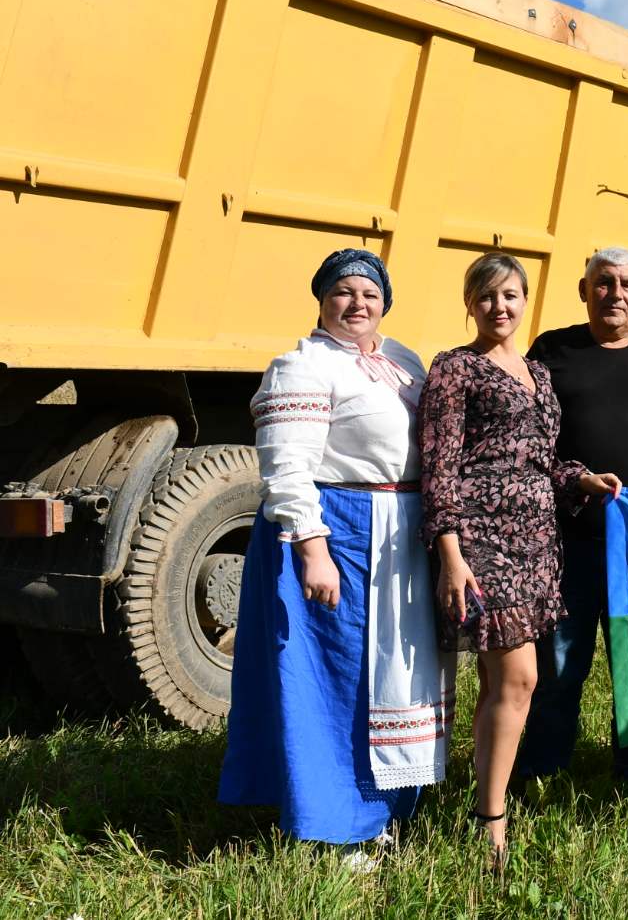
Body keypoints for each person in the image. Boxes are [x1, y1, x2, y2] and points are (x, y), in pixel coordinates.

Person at [219, 248, 454, 871]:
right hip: (343, 531)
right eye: (343, 292)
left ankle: (390, 808)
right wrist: (312, 548)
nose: (357, 304)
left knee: (399, 677)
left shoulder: (402, 361)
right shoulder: (302, 366)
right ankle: (340, 824)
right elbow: (287, 467)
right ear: (321, 300)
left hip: (400, 534)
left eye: (370, 293)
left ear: (386, 302)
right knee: (343, 679)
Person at [419, 253, 621, 871]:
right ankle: (491, 820)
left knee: (501, 687)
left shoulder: (537, 371)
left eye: (509, 296)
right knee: (521, 680)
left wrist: (581, 479)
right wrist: (451, 555)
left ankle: (485, 795)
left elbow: (539, 459)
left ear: (525, 300)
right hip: (485, 546)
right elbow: (439, 464)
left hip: (538, 544)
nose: (499, 307)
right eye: (487, 297)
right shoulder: (456, 369)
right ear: (469, 303)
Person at [516, 247, 628, 789]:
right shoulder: (552, 350)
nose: (614, 293)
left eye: (626, 285)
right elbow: (532, 443)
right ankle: (544, 769)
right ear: (583, 290)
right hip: (570, 540)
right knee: (561, 667)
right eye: (602, 283)